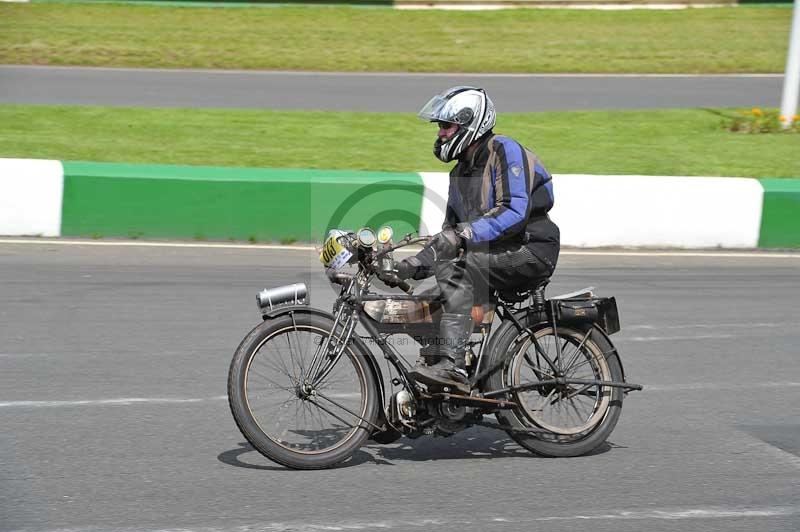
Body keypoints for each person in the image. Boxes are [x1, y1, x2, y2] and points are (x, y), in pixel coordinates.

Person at [391, 86, 560, 391]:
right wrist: (411, 265)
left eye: (446, 126)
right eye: (440, 127)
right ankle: (451, 371)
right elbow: (448, 237)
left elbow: (513, 210)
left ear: (470, 125)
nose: (441, 134)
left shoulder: (505, 151)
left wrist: (464, 234)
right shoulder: (459, 175)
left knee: (457, 270)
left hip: (531, 248)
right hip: (490, 255)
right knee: (419, 306)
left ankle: (452, 368)